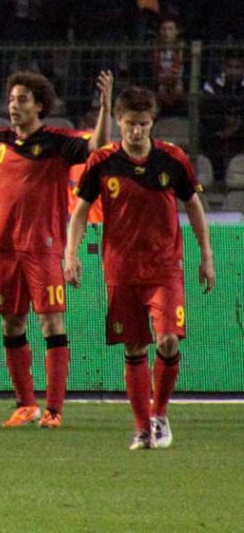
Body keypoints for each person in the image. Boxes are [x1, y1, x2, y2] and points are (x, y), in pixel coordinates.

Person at [0, 57, 113, 428]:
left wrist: (106, 108)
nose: (14, 105)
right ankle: (26, 404)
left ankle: (54, 409)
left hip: (43, 247)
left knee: (51, 323)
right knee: (12, 324)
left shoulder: (57, 142)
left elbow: (96, 146)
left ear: (39, 105)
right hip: (6, 247)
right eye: (12, 99)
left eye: (23, 99)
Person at [65, 86, 216, 449]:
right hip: (120, 269)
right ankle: (142, 427)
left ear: (152, 123)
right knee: (134, 347)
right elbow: (81, 211)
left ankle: (159, 414)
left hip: (164, 267)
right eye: (130, 123)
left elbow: (193, 205)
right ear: (118, 121)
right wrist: (70, 253)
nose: (136, 131)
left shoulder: (172, 159)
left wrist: (206, 255)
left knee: (167, 339)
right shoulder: (102, 161)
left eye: (143, 124)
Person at [200, 50, 244, 184]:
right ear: (224, 67)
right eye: (230, 67)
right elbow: (207, 111)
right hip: (217, 134)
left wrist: (236, 127)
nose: (233, 72)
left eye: (237, 67)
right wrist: (225, 122)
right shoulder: (212, 85)